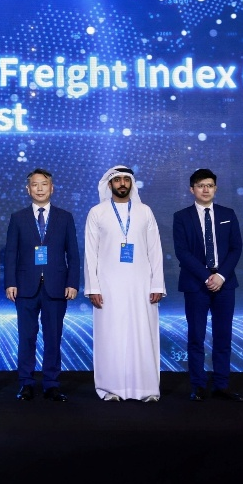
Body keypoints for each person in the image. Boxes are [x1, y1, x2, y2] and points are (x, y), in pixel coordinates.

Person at [84, 165, 165, 402]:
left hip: (142, 285)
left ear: (131, 183)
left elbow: (155, 250)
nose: (122, 184)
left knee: (143, 335)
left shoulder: (145, 211)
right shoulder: (97, 212)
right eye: (117, 180)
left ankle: (146, 389)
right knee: (111, 336)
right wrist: (93, 287)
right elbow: (90, 253)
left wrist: (157, 284)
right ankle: (110, 388)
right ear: (109, 184)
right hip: (108, 286)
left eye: (126, 180)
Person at [4, 168, 80, 402]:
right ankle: (26, 383)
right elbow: (11, 253)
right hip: (25, 287)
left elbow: (73, 253)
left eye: (44, 184)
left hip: (56, 286)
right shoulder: (18, 217)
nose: (39, 189)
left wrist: (72, 282)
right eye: (35, 185)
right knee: (26, 337)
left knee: (53, 337)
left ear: (52, 188)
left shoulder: (65, 217)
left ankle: (51, 383)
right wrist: (10, 282)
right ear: (28, 189)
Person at [173, 168, 243, 402]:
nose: (206, 189)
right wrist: (206, 276)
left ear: (215, 188)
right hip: (196, 284)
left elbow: (236, 248)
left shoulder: (228, 214)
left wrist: (221, 276)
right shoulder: (181, 217)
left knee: (223, 336)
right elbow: (182, 252)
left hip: (225, 284)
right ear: (192, 189)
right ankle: (198, 386)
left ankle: (221, 385)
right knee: (196, 337)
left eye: (210, 185)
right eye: (201, 185)